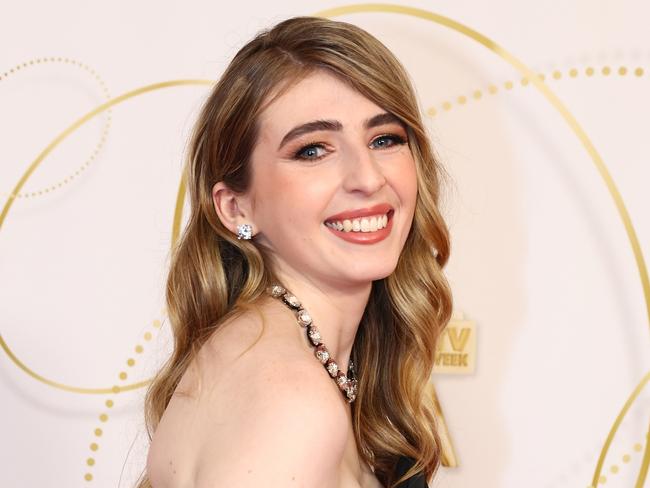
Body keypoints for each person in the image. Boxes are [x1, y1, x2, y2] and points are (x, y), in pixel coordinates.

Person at [138, 15, 453, 488]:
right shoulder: (291, 404)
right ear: (235, 206)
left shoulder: (262, 345)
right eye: (312, 150)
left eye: (384, 139)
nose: (368, 178)